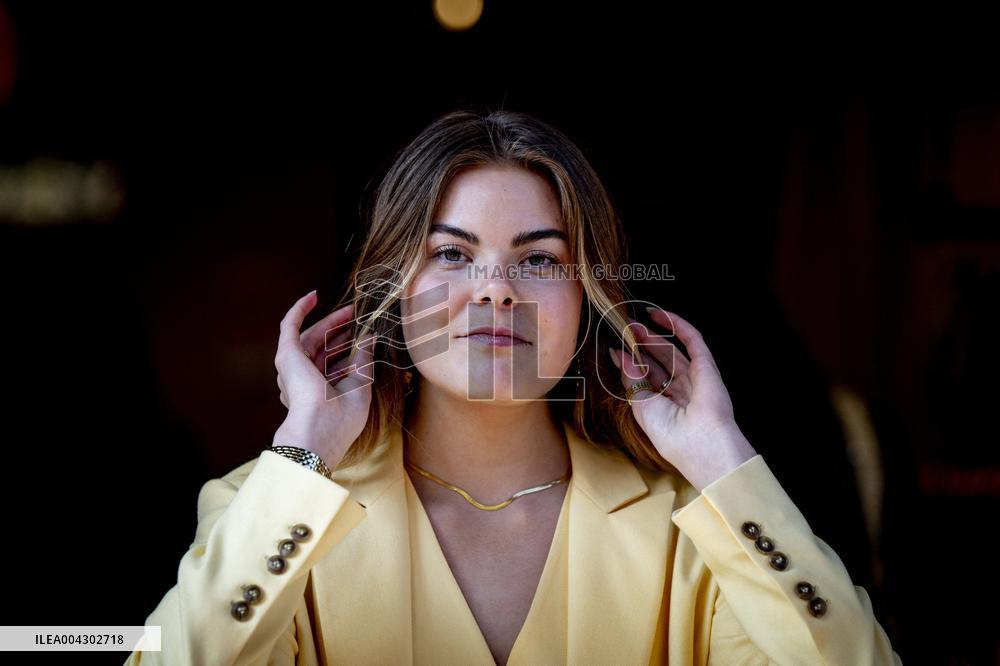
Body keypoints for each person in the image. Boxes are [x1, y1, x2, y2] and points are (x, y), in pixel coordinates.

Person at [125, 109, 903, 665]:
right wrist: (304, 450)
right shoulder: (272, 514)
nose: (495, 290)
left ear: (591, 296)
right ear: (392, 292)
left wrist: (722, 462)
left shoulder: (693, 536)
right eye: (453, 255)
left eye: (539, 260)